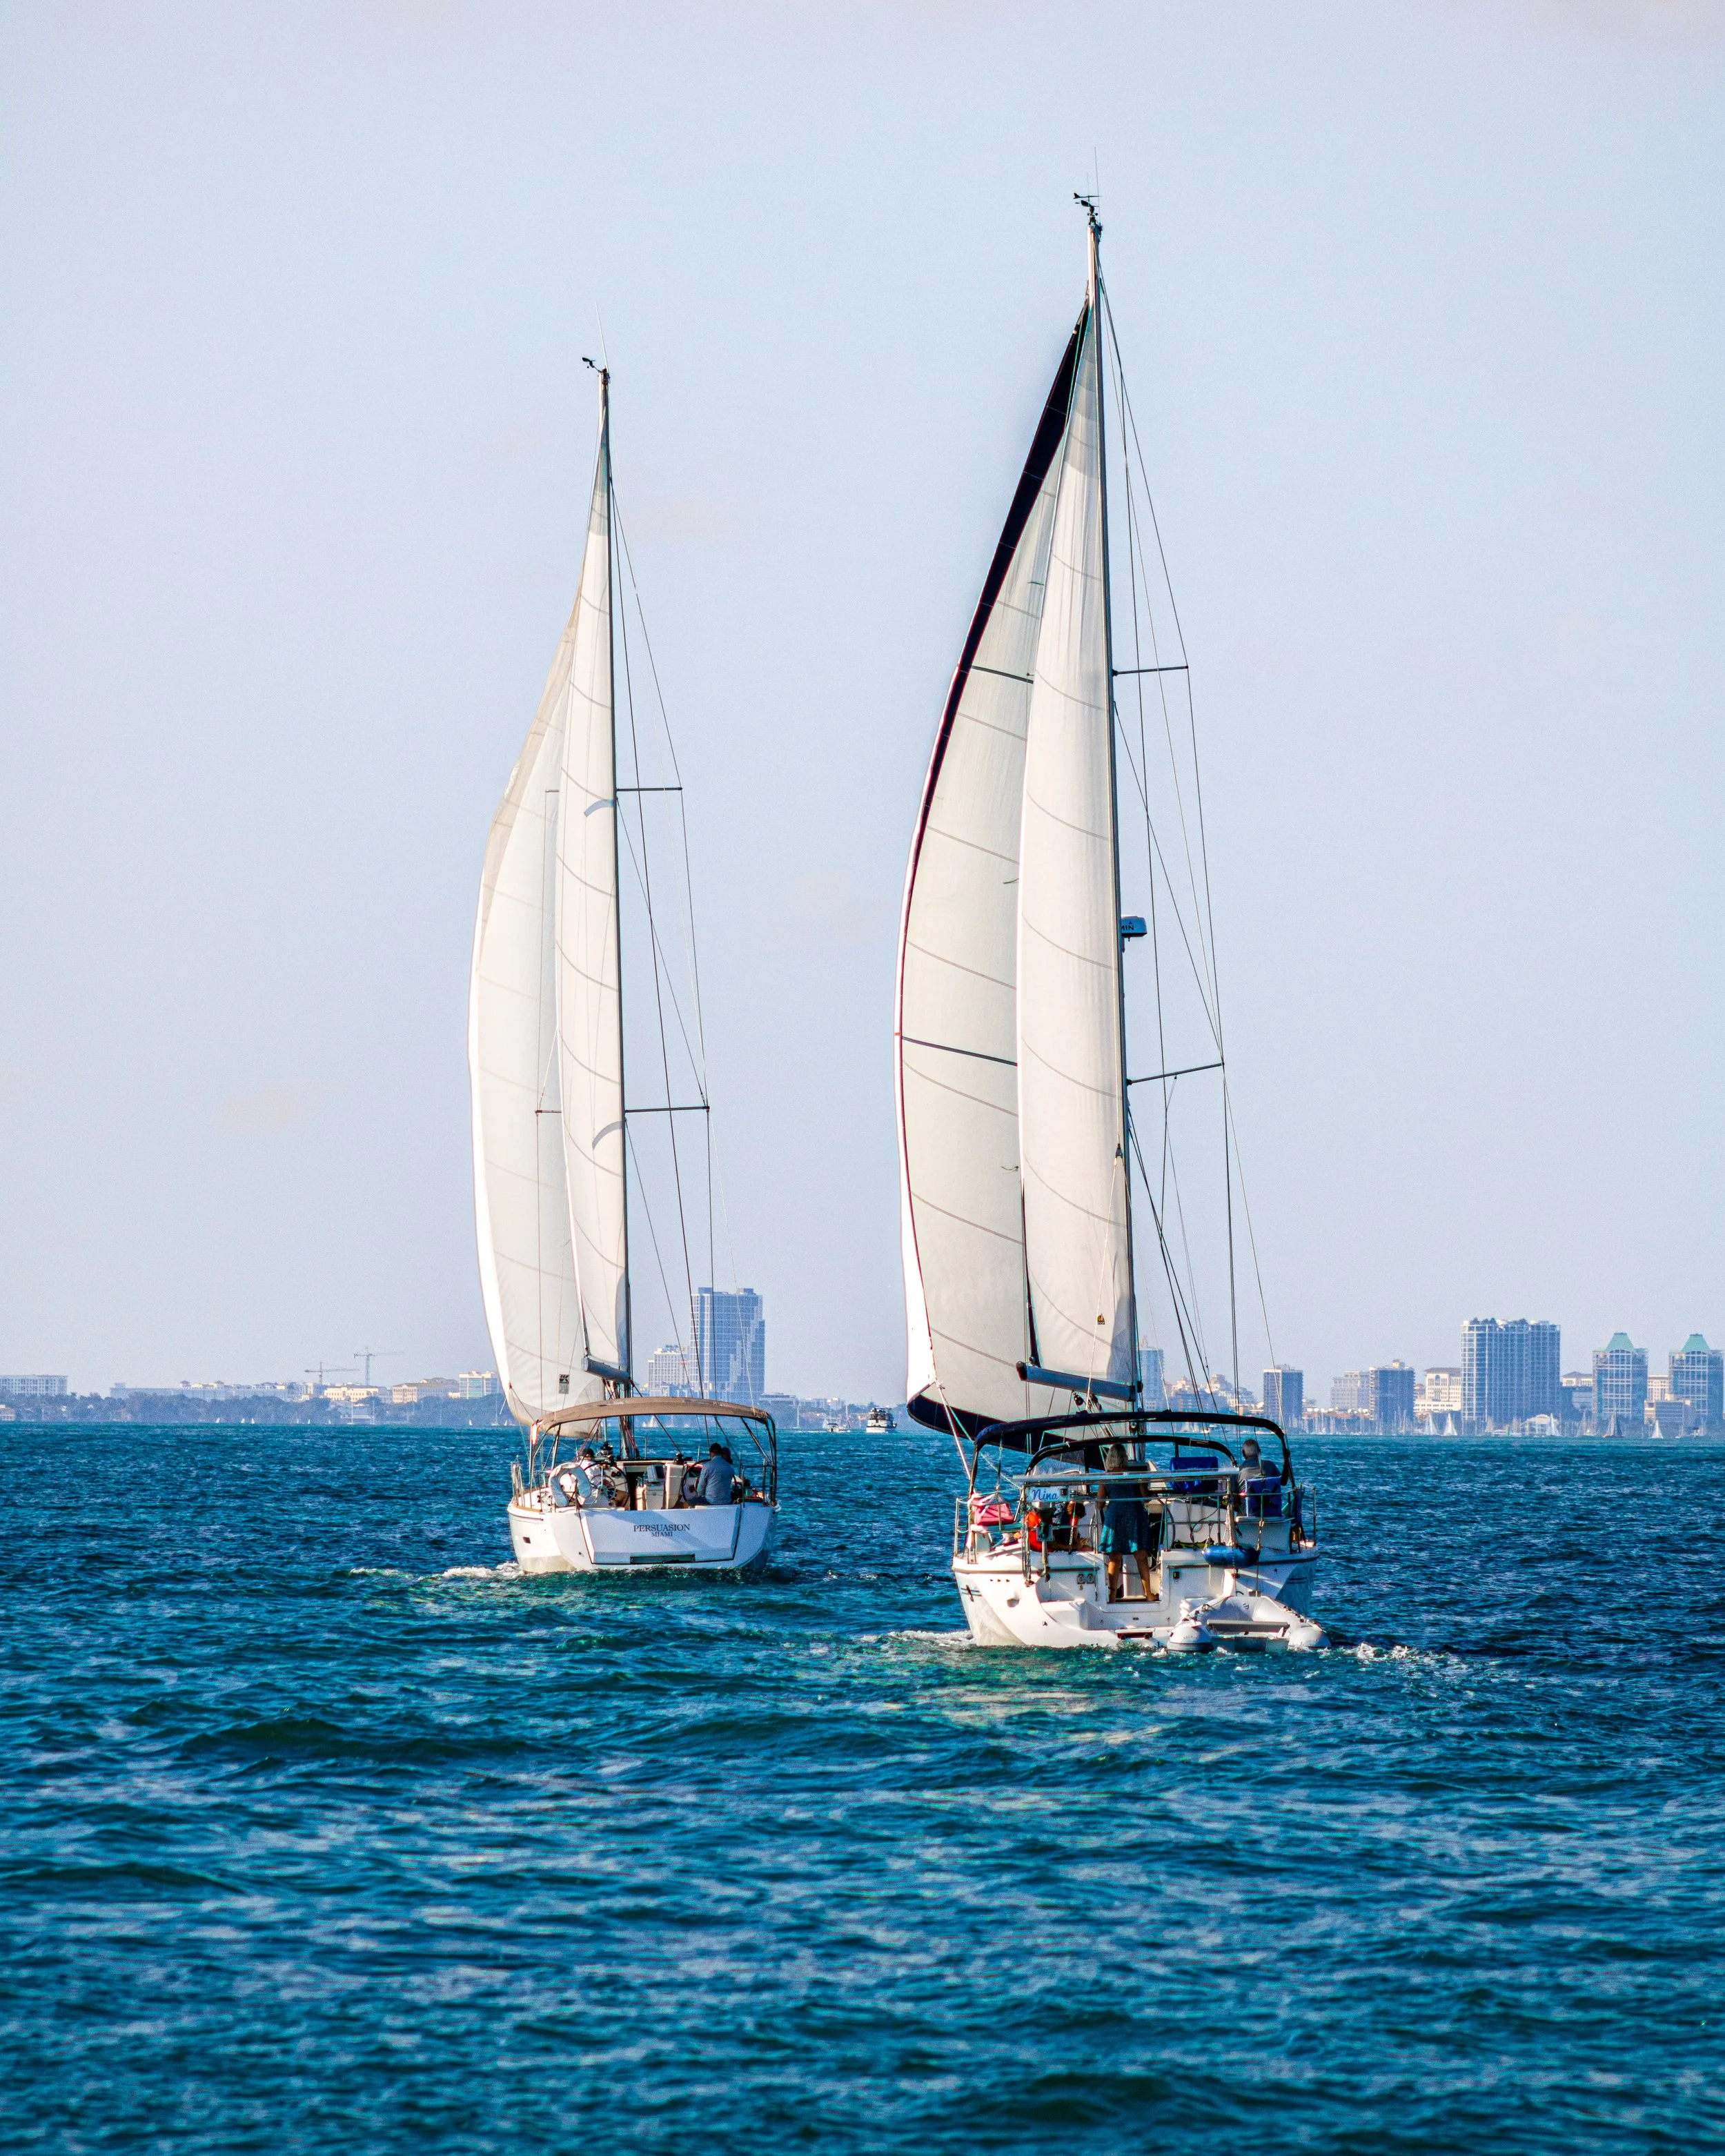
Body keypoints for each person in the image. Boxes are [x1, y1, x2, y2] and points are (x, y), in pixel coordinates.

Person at [1098, 1441, 1156, 1601]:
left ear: (1110, 1458)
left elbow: (1099, 1503)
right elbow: (1145, 1499)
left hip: (1115, 1516)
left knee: (1114, 1557)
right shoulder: (1135, 1475)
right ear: (1125, 1457)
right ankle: (1149, 1594)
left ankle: (1111, 1595)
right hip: (1134, 1515)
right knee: (1141, 1556)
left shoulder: (1106, 1477)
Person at [695, 1442, 737, 1506]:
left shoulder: (707, 1466)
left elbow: (701, 1487)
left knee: (688, 1503)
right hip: (727, 1501)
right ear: (721, 1453)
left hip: (710, 1501)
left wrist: (699, 1495)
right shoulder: (730, 1467)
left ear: (711, 1453)